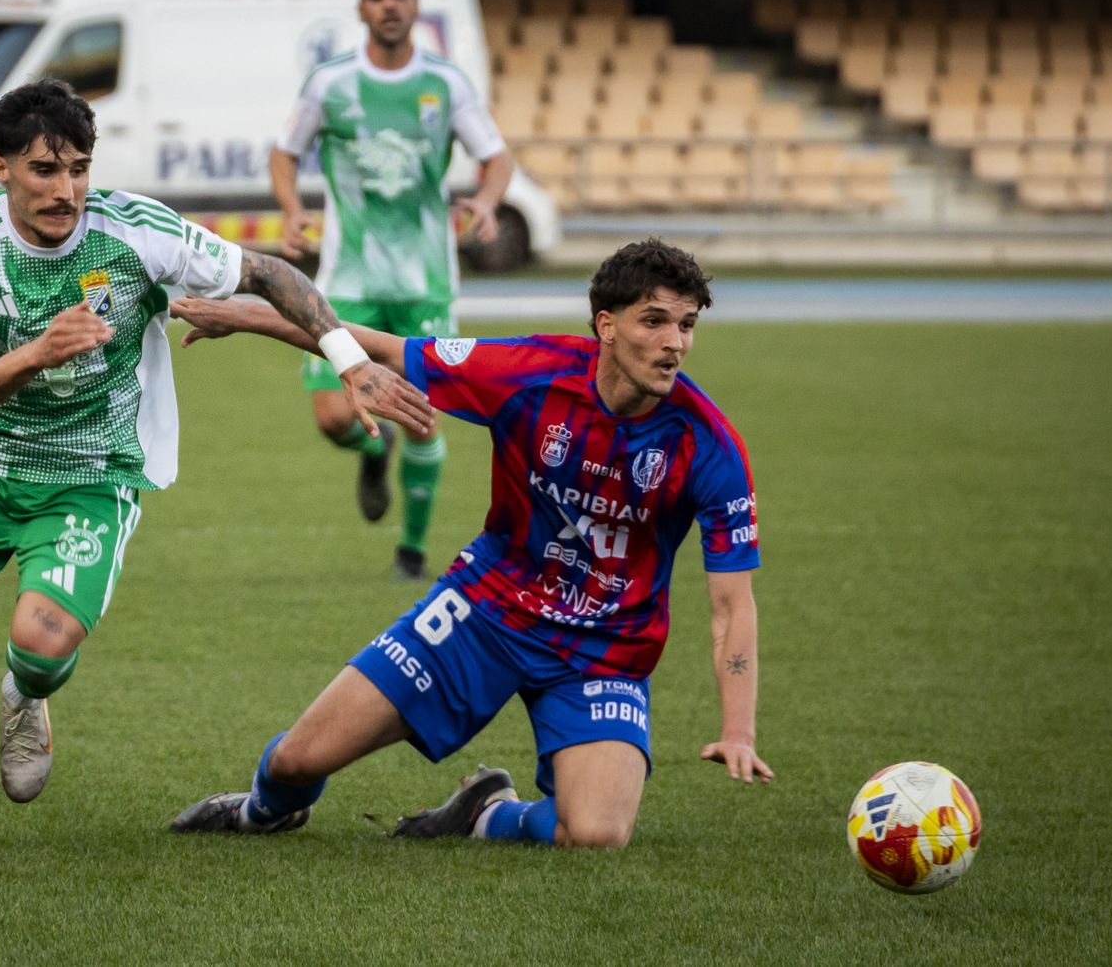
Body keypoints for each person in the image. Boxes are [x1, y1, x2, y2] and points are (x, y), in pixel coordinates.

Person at [0, 78, 431, 843]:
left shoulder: (136, 231)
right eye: (44, 171)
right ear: (0, 167)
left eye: (79, 168)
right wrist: (38, 352)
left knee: (43, 646)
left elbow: (272, 275)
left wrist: (351, 363)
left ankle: (25, 694)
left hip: (92, 472)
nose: (67, 190)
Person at [167, 239, 771, 848]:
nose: (675, 343)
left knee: (596, 833)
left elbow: (731, 605)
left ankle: (484, 813)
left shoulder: (710, 445)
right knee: (298, 760)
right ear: (606, 326)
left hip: (604, 649)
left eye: (687, 325)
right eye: (655, 321)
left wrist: (739, 730)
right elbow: (380, 347)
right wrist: (249, 316)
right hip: (487, 611)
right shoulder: (532, 371)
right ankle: (262, 811)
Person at [269, 0, 514, 581]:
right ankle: (373, 449)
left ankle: (411, 549)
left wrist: (485, 201)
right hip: (347, 281)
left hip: (424, 283)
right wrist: (293, 209)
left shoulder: (445, 84)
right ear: (361, 9)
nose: (388, 5)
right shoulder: (331, 84)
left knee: (422, 414)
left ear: (414, 2)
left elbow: (497, 157)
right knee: (331, 418)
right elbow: (284, 151)